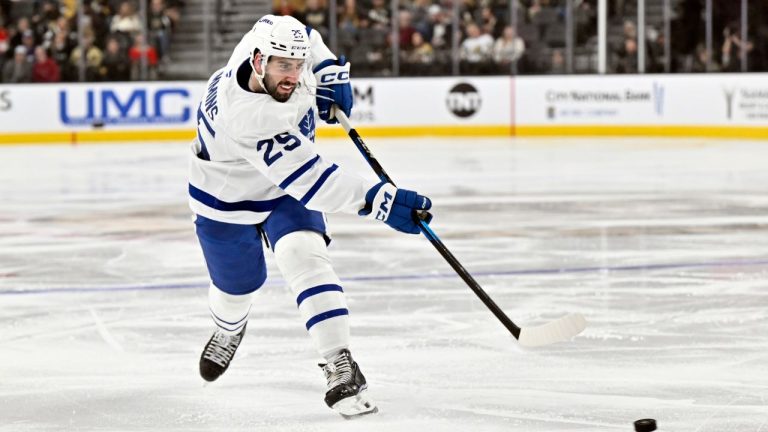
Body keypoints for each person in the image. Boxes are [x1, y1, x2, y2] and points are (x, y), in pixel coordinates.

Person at [189, 14, 432, 418]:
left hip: (282, 192)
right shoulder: (248, 116)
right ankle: (229, 328)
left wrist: (326, 68)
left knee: (304, 255)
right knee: (237, 289)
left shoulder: (261, 44)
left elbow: (308, 35)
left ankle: (339, 363)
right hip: (224, 200)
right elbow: (315, 182)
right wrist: (381, 200)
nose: (293, 75)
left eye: (297, 65)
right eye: (284, 66)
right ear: (258, 61)